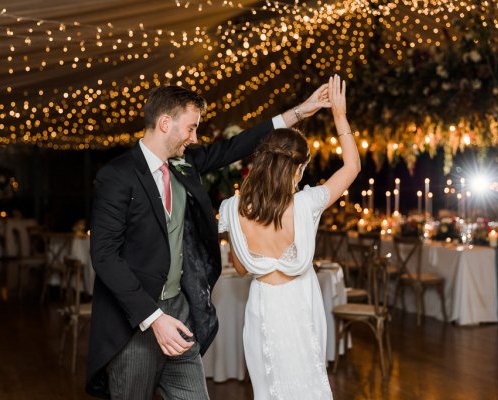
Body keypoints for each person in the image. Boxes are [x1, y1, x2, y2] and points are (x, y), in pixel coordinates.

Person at [86, 83, 330, 399]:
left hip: (180, 312)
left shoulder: (184, 164)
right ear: (164, 123)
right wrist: (154, 318)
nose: (195, 138)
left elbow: (235, 146)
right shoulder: (117, 175)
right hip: (134, 321)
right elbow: (104, 256)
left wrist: (300, 112)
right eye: (191, 128)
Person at [218, 75, 360, 399]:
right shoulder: (307, 204)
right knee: (309, 386)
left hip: (262, 308)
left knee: (268, 391)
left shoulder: (231, 209)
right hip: (300, 304)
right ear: (298, 169)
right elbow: (352, 166)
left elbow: (240, 269)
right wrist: (339, 113)